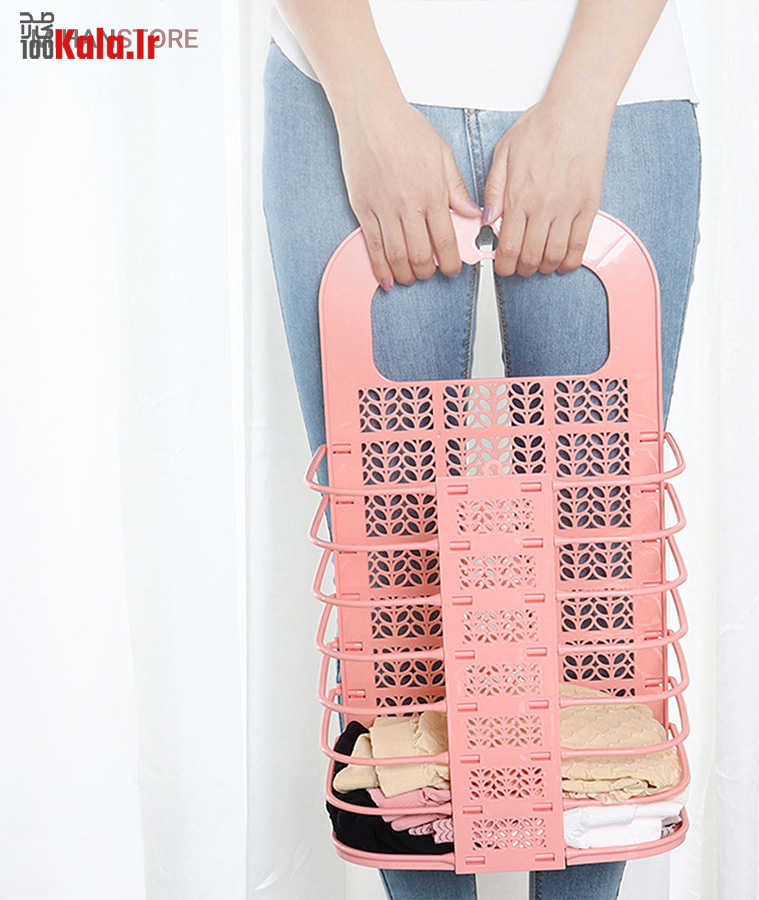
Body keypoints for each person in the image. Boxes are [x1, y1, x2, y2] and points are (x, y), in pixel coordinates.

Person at [262, 2, 701, 898]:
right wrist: (368, 106)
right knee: (393, 616)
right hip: (344, 81)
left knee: (604, 627)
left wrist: (580, 102)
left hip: (613, 86)